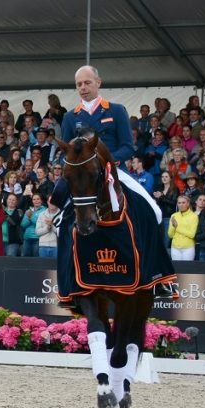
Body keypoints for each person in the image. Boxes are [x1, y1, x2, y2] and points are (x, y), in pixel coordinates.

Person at [55, 65, 173, 299]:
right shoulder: (71, 117)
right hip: (84, 176)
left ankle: (159, 277)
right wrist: (74, 164)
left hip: (115, 171)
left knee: (155, 211)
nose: (83, 88)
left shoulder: (116, 110)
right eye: (79, 84)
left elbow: (128, 147)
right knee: (60, 222)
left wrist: (106, 163)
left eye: (87, 83)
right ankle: (68, 284)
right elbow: (65, 151)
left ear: (98, 83)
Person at [168, 195, 199, 261]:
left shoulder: (194, 216)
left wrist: (177, 227)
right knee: (176, 269)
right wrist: (173, 227)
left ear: (188, 203)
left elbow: (192, 234)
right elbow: (170, 235)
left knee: (187, 270)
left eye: (183, 202)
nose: (181, 205)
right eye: (179, 203)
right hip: (175, 247)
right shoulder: (174, 215)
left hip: (188, 248)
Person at [20, 192, 45, 257]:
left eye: (38, 199)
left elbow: (42, 224)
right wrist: (29, 217)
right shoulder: (29, 210)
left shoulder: (44, 210)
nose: (36, 201)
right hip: (27, 238)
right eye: (34, 199)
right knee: (25, 260)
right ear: (32, 201)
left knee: (36, 260)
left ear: (41, 200)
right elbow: (23, 225)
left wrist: (31, 217)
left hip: (37, 239)